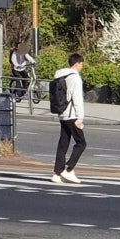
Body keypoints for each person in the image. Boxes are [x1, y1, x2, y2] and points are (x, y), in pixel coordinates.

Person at [52, 53, 86, 184]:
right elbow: (77, 99)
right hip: (72, 114)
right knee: (81, 143)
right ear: (77, 64)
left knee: (63, 143)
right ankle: (69, 169)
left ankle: (56, 173)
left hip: (62, 113)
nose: (82, 67)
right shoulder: (75, 78)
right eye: (81, 64)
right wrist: (80, 117)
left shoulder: (62, 75)